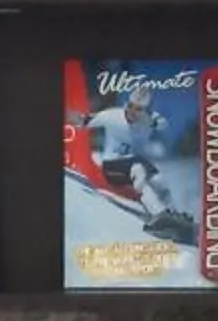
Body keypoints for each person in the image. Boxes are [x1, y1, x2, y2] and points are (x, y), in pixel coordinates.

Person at [82, 82, 194, 240]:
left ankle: (172, 215)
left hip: (134, 161)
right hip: (111, 167)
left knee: (159, 180)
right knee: (138, 169)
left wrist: (153, 121)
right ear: (126, 104)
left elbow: (163, 124)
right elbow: (84, 121)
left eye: (138, 109)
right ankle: (157, 216)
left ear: (145, 111)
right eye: (130, 106)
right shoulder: (112, 115)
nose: (133, 111)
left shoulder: (147, 119)